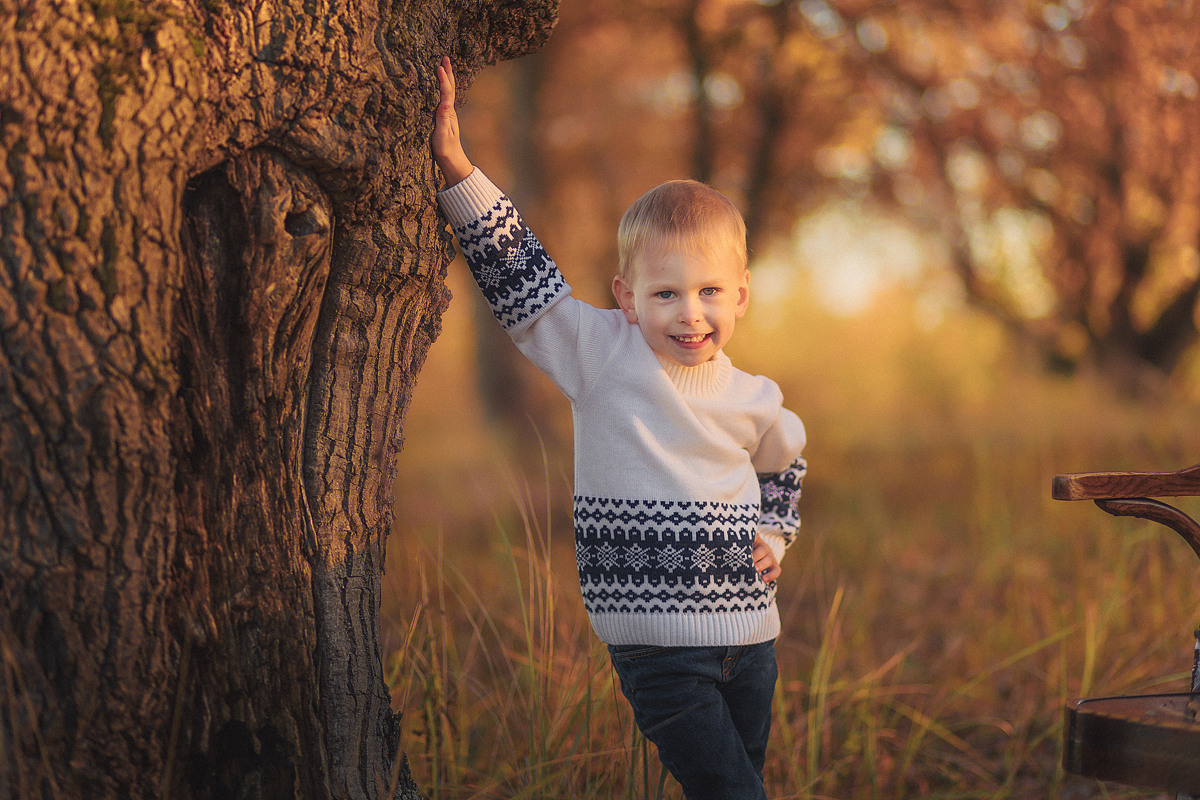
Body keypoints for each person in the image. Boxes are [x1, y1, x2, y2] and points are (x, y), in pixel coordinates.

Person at [431, 56, 807, 800]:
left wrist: (776, 532)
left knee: (738, 785)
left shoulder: (757, 396)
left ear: (741, 295)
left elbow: (786, 464)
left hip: (753, 642)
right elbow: (524, 281)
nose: (689, 313)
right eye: (666, 293)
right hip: (658, 652)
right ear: (627, 298)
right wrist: (455, 165)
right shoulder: (603, 355)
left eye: (708, 292)